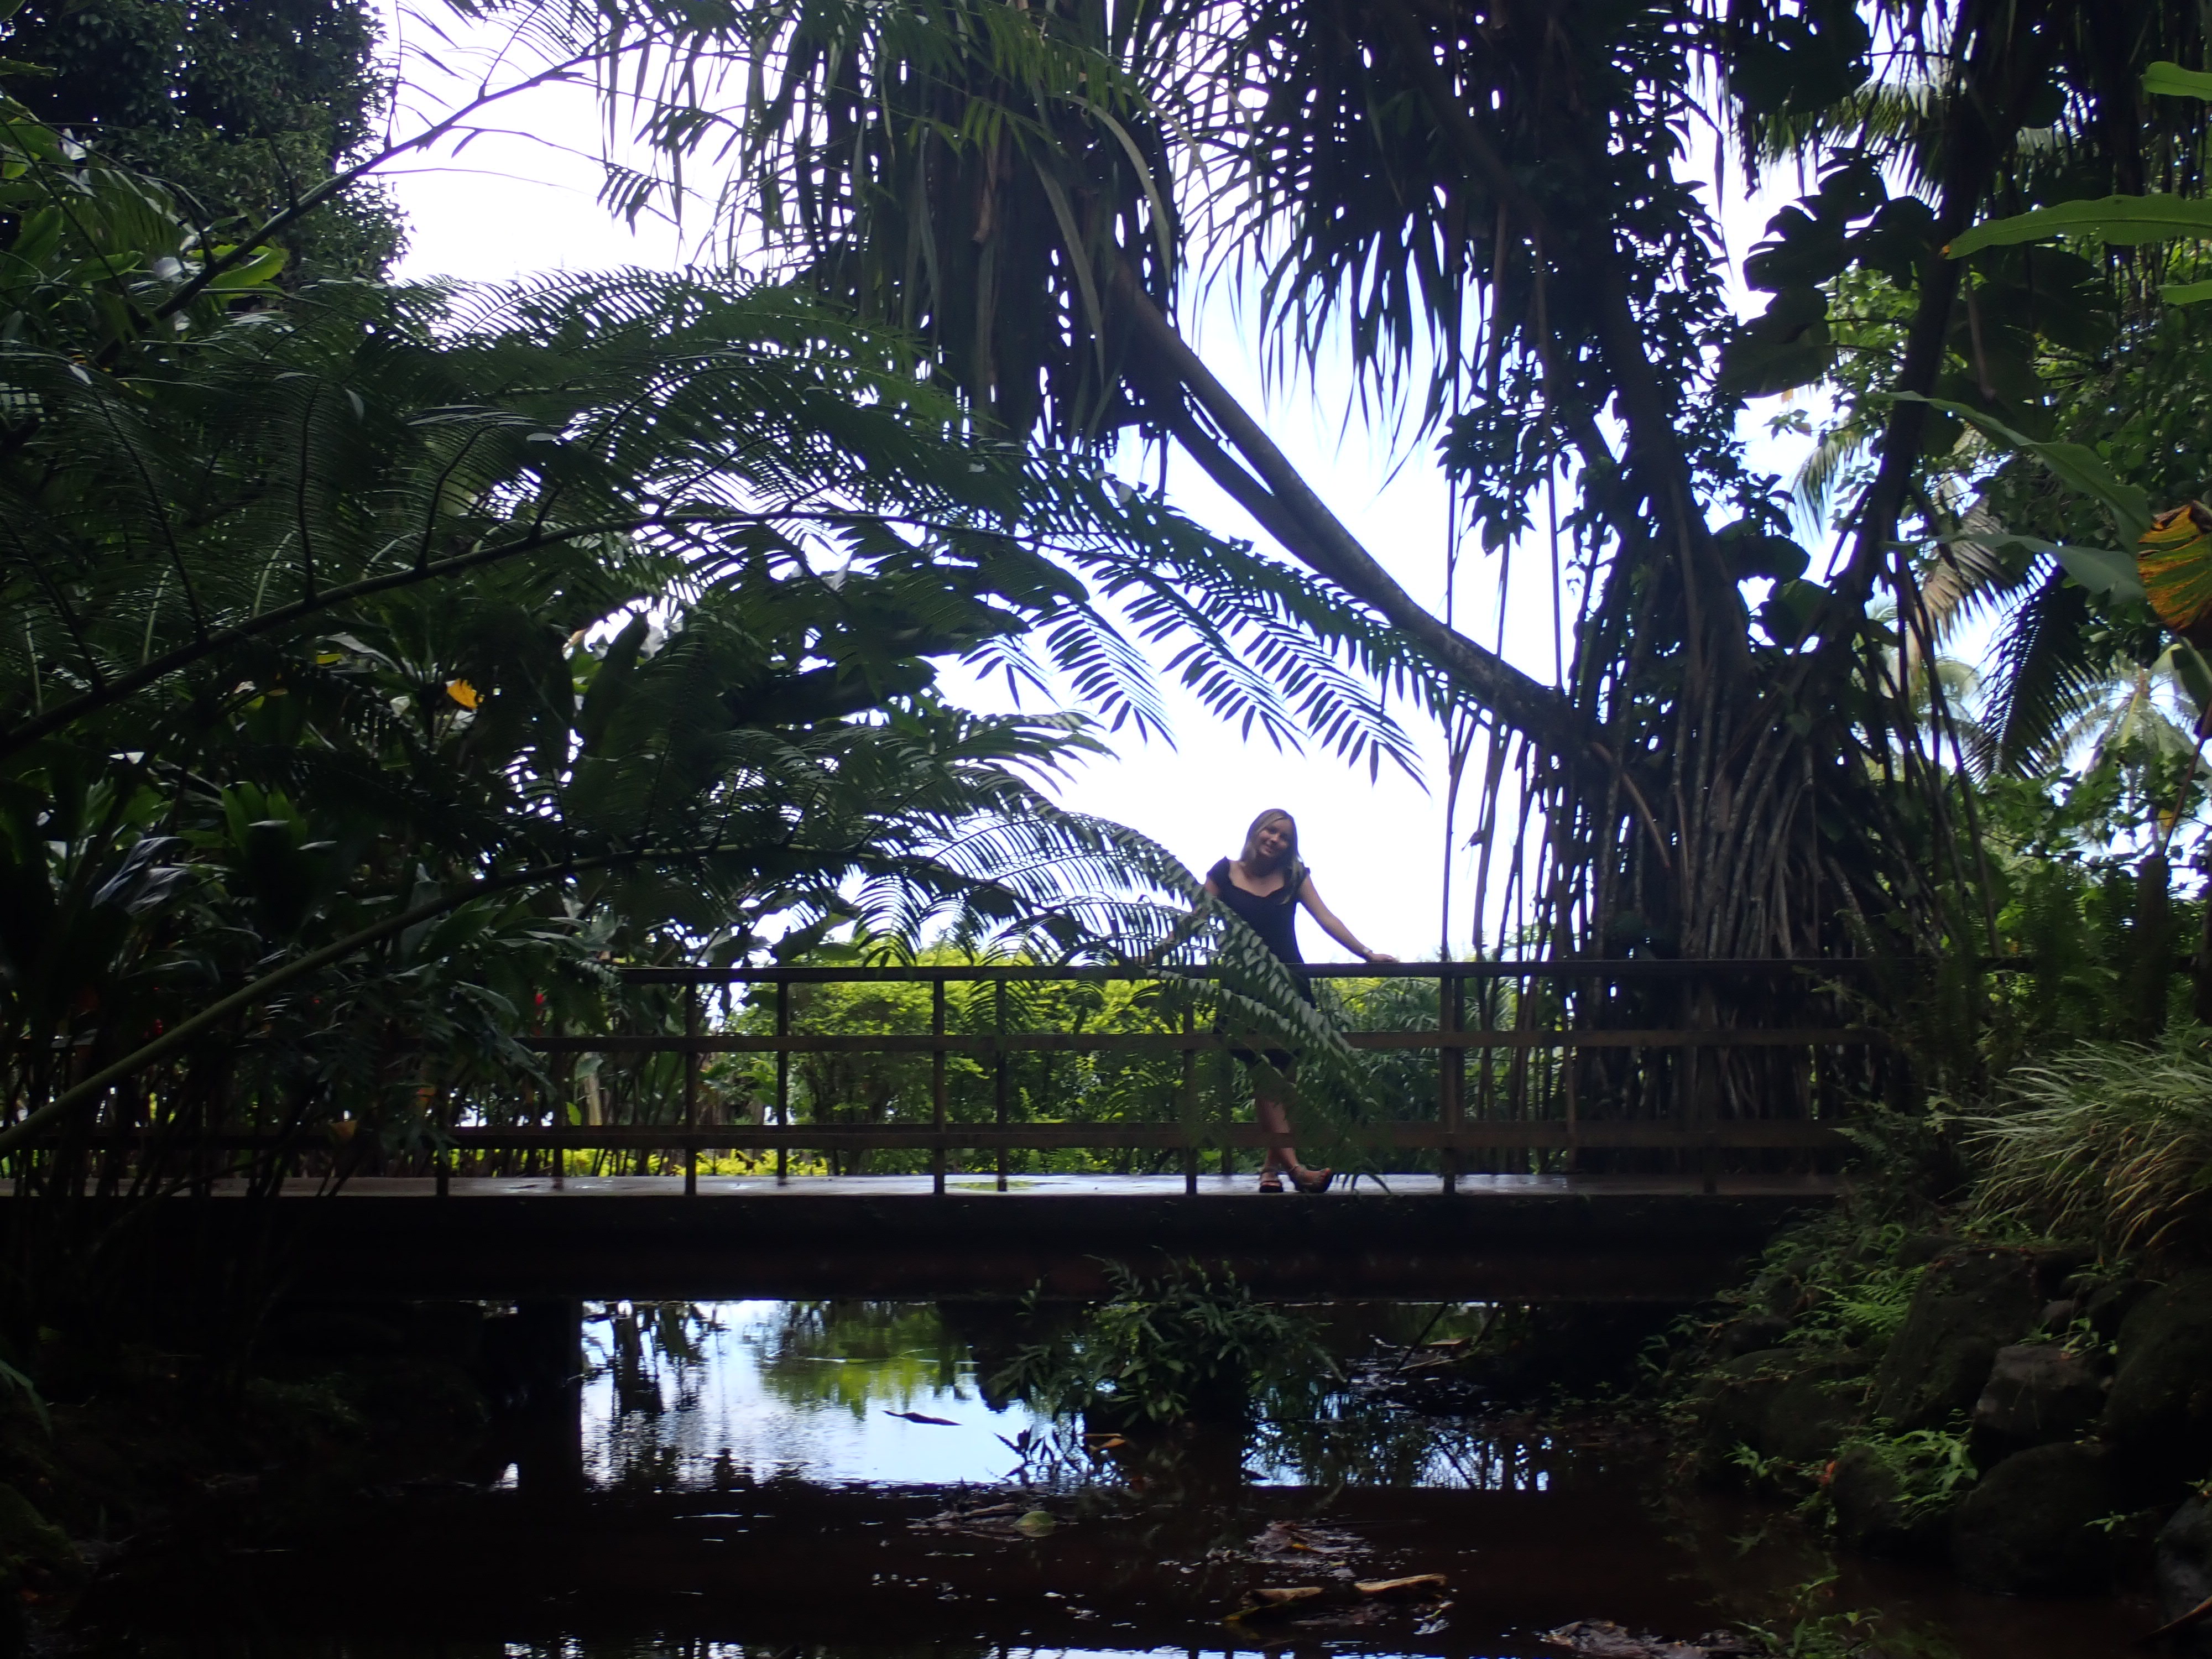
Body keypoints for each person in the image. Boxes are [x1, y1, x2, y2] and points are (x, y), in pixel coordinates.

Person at [1202, 808, 1395, 1194]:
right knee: (1266, 1080)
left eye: (1284, 837)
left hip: (1289, 988)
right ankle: (1295, 1170)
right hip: (1244, 991)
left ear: (1290, 846)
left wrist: (1366, 953)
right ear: (1256, 831)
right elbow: (1193, 919)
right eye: (1270, 831)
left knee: (1283, 1083)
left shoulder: (1293, 877)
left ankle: (1270, 1173)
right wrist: (1154, 956)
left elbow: (1326, 918)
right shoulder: (1223, 873)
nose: (1275, 840)